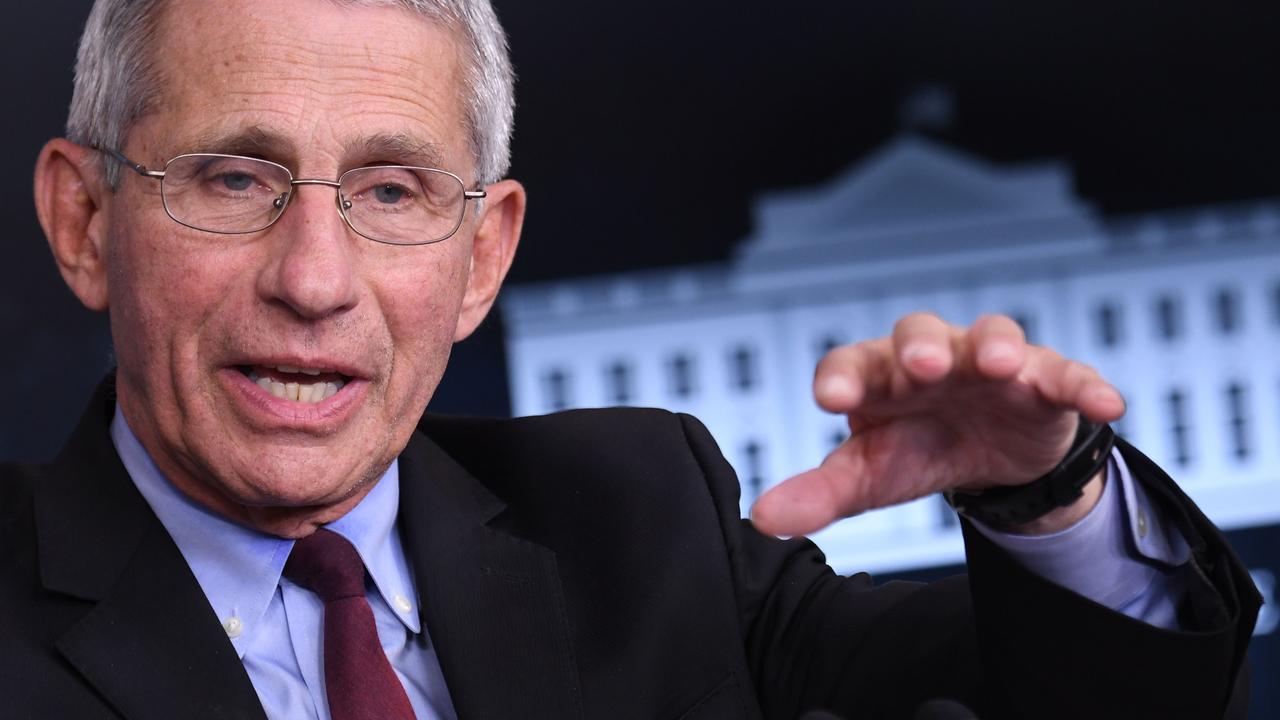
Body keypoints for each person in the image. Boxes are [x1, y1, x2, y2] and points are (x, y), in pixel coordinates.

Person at [0, 0, 1259, 718]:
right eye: (234, 177)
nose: (315, 279)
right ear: (83, 220)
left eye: (392, 191)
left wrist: (1046, 498)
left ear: (481, 258)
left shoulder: (636, 506)